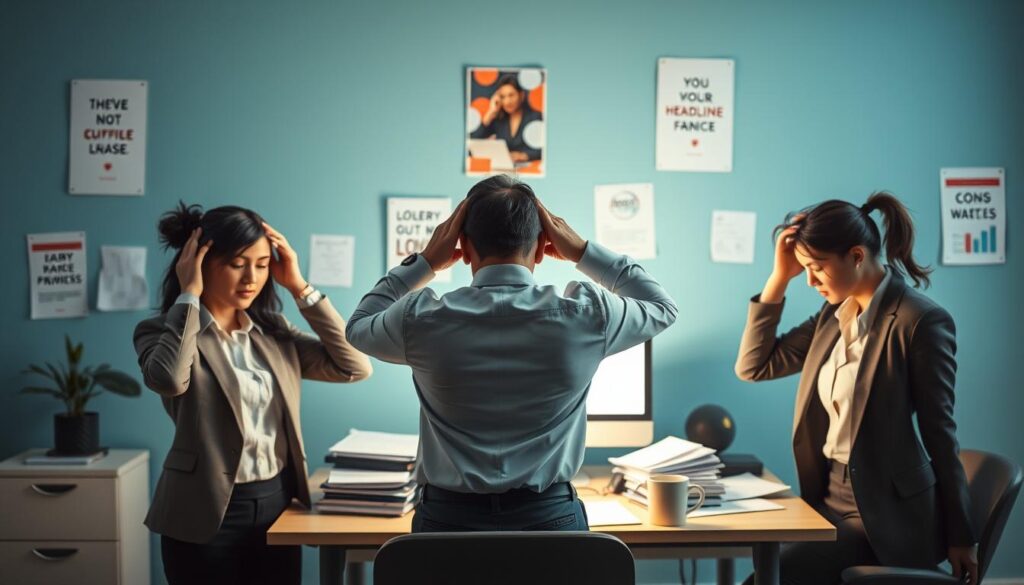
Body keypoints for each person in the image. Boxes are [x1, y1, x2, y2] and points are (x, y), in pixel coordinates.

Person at [346, 175, 677, 532]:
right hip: (551, 523)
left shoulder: (419, 318)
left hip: (446, 524)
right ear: (543, 247)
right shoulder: (587, 314)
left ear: (463, 247)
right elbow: (662, 307)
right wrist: (581, 251)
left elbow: (358, 326)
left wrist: (424, 261)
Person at [735, 193, 978, 585]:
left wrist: (962, 536)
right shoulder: (833, 314)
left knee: (769, 578)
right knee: (766, 561)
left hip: (884, 515)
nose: (810, 281)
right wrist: (779, 278)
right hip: (827, 497)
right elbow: (754, 366)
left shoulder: (920, 321)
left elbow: (940, 432)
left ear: (857, 256)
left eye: (817, 268)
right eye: (805, 269)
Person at [134, 203, 372, 585]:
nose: (252, 278)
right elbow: (169, 379)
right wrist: (189, 294)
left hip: (276, 502)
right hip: (201, 510)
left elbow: (355, 366)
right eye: (237, 264)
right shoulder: (162, 331)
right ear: (200, 263)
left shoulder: (274, 331)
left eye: (262, 265)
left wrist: (299, 287)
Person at [470, 73, 543, 162]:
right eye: (502, 97)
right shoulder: (499, 119)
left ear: (521, 95)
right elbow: (473, 142)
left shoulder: (535, 117)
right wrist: (491, 112)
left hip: (528, 166)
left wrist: (524, 155)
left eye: (511, 95)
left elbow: (545, 148)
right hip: (502, 167)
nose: (507, 101)